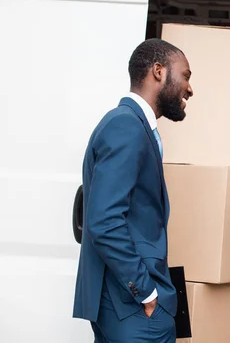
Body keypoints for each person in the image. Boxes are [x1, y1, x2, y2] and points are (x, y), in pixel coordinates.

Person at [72, 38, 194, 342]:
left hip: (125, 307)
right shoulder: (126, 126)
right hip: (133, 310)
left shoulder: (131, 126)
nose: (190, 89)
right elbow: (104, 221)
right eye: (186, 76)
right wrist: (146, 292)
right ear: (158, 71)